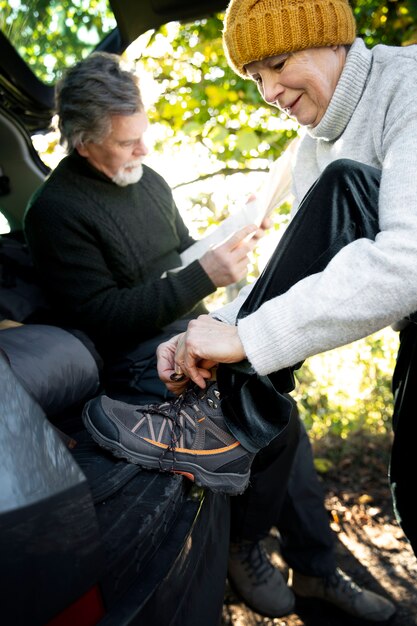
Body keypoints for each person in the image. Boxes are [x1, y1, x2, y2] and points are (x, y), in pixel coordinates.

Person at [24, 51, 395, 621]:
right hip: (132, 352)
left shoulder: (147, 180)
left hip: (192, 324)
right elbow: (101, 316)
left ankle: (309, 565)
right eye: (127, 144)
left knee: (276, 410)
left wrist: (226, 250)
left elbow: (180, 252)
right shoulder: (53, 211)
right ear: (82, 143)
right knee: (273, 416)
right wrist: (202, 277)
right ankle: (257, 549)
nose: (144, 153)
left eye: (143, 136)